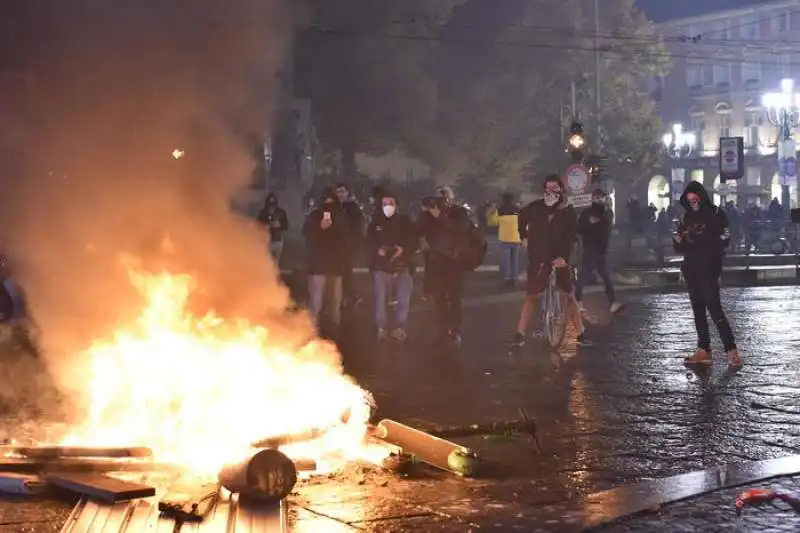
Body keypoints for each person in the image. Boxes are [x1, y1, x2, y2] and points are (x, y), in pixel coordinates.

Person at [511, 174, 591, 348]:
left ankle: (580, 332)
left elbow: (571, 235)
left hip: (560, 257)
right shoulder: (536, 207)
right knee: (531, 296)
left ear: (561, 189)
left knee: (569, 295)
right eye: (548, 188)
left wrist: (565, 257)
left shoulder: (567, 210)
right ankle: (520, 333)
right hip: (538, 257)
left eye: (555, 188)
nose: (551, 192)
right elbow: (521, 218)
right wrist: (523, 237)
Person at [673, 182, 742, 367]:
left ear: (702, 197)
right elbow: (680, 245)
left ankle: (731, 350)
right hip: (691, 268)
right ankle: (703, 350)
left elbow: (724, 239)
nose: (693, 204)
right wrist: (679, 240)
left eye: (696, 200)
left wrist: (704, 238)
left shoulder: (717, 214)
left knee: (715, 309)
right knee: (698, 310)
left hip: (709, 267)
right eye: (690, 201)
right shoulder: (686, 217)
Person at [418, 195, 472, 346]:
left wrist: (439, 216)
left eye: (445, 197)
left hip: (454, 263)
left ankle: (455, 332)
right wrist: (426, 213)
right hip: (436, 264)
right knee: (438, 299)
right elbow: (418, 229)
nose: (442, 201)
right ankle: (442, 330)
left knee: (454, 299)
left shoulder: (459, 213)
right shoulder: (429, 214)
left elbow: (460, 228)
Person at [366, 193, 416, 342]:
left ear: (397, 205)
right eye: (384, 203)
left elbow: (413, 241)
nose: (388, 206)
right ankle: (382, 329)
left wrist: (402, 250)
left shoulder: (405, 222)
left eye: (391, 203)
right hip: (381, 267)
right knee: (380, 298)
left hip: (403, 265)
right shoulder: (375, 223)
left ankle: (400, 328)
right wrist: (378, 250)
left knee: (403, 299)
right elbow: (368, 242)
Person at [302, 189, 349, 334]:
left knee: (335, 303)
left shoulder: (341, 218)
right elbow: (307, 236)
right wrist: (319, 228)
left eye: (332, 203)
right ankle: (312, 331)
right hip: (318, 266)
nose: (329, 207)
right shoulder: (314, 217)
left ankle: (335, 331)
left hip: (335, 266)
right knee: (316, 303)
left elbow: (347, 239)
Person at [575, 189, 624, 314]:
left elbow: (606, 223)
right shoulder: (587, 213)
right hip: (591, 250)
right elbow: (580, 229)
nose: (599, 199)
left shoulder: (607, 212)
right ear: (592, 198)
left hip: (601, 251)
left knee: (606, 278)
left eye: (601, 197)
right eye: (597, 197)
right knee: (584, 278)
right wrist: (590, 225)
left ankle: (612, 303)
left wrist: (595, 223)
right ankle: (577, 302)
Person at [335, 183, 364, 307]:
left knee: (346, 271)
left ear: (347, 193)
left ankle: (350, 295)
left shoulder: (353, 208)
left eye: (343, 191)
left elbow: (358, 226)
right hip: (332, 246)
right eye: (338, 192)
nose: (340, 194)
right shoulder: (331, 207)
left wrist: (354, 243)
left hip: (347, 245)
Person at [496, 193, 522, 289]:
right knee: (515, 260)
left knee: (506, 260)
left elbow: (493, 221)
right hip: (516, 237)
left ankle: (508, 278)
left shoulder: (500, 210)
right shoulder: (518, 210)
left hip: (504, 237)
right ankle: (514, 278)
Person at [257, 193, 289, 265]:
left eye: (272, 206)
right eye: (269, 206)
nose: (271, 208)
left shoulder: (281, 213)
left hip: (277, 240)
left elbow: (286, 226)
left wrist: (279, 225)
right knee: (266, 261)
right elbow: (258, 226)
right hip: (266, 241)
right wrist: (264, 226)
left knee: (275, 263)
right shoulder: (263, 213)